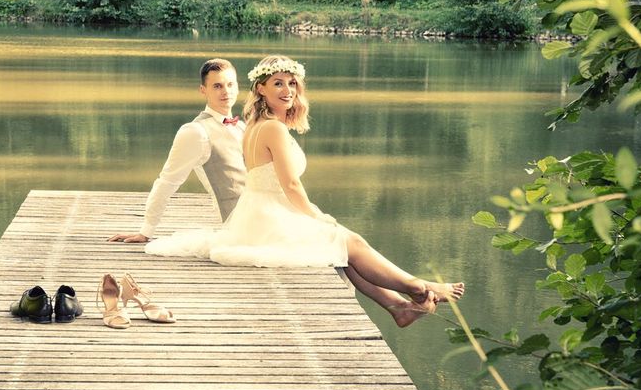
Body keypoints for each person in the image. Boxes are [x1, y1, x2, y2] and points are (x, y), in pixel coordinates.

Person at [146, 55, 464, 327]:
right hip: (267, 216)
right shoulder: (271, 127)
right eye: (278, 84)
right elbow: (291, 185)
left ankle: (399, 307)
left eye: (292, 83)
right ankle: (419, 287)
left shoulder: (254, 124)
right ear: (260, 88)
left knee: (342, 247)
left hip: (260, 212)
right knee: (347, 240)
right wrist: (316, 216)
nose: (287, 90)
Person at [108, 58, 246, 244]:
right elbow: (167, 181)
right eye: (217, 86)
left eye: (230, 84)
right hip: (238, 225)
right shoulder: (195, 132)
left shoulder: (243, 128)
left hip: (262, 212)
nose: (226, 91)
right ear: (203, 90)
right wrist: (146, 230)